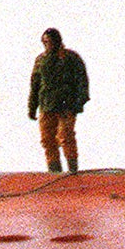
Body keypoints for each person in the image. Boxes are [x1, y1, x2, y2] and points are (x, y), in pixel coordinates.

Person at [28, 28, 91, 174]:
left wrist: (79, 103)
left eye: (48, 42)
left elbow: (82, 81)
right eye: (44, 42)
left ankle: (72, 171)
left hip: (66, 106)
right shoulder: (40, 60)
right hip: (46, 106)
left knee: (65, 136)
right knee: (47, 140)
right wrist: (32, 107)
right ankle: (54, 172)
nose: (46, 45)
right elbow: (35, 85)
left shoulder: (71, 58)